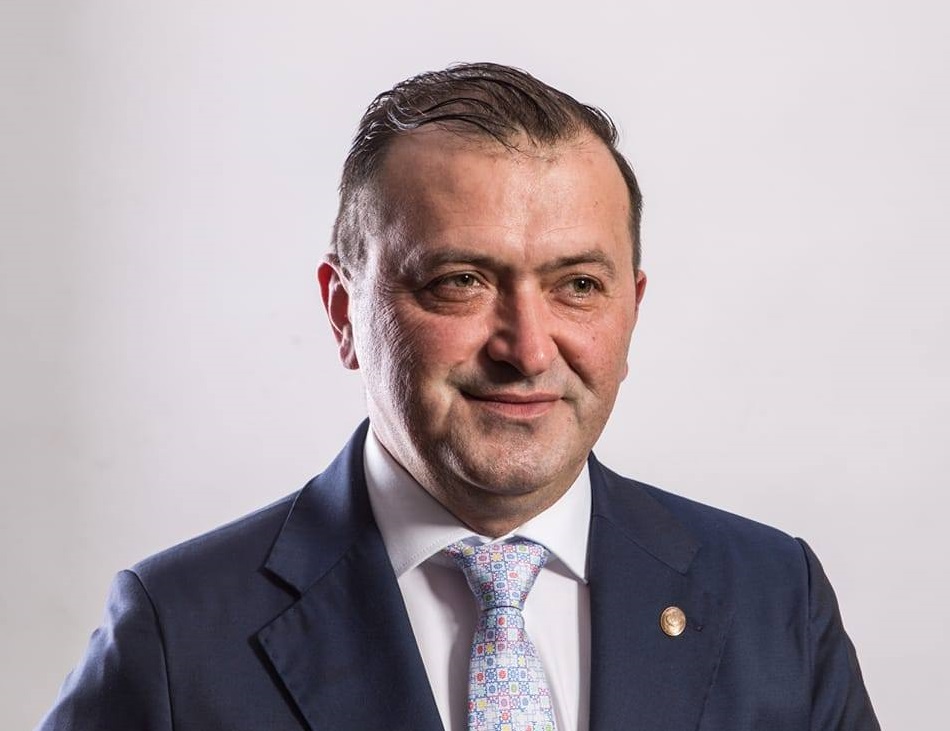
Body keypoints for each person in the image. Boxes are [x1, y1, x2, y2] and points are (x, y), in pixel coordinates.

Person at [37, 63, 879, 731]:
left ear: (632, 308)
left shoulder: (776, 600)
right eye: (461, 280)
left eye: (579, 285)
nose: (528, 348)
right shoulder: (177, 635)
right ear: (343, 313)